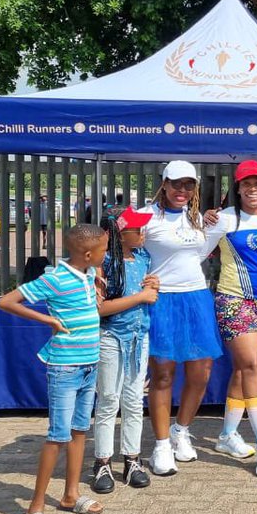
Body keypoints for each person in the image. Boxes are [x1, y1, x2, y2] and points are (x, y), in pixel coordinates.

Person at [0, 224, 108, 514]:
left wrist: (96, 281)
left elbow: (91, 299)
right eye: (103, 250)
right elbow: (7, 302)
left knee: (78, 430)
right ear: (87, 253)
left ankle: (71, 494)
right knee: (58, 436)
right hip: (65, 368)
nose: (106, 254)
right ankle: (34, 507)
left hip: (89, 364)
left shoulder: (87, 275)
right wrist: (47, 319)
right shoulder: (54, 279)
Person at [138, 161, 225, 477]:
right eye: (176, 184)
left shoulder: (199, 218)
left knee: (201, 371)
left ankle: (181, 430)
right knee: (162, 374)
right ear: (164, 183)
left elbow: (202, 252)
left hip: (197, 297)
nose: (182, 191)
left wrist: (210, 219)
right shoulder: (145, 215)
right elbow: (124, 251)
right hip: (162, 300)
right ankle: (161, 446)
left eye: (189, 185)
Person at [210, 160, 257, 480]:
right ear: (237, 188)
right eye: (246, 183)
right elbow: (196, 249)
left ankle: (227, 436)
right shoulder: (223, 218)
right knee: (255, 366)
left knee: (243, 370)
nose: (252, 189)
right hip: (233, 300)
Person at [90, 205, 159, 494]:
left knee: (133, 400)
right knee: (108, 399)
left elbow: (148, 292)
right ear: (119, 233)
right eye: (136, 228)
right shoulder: (102, 263)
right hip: (111, 338)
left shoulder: (143, 257)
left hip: (138, 338)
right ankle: (102, 462)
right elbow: (100, 307)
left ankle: (132, 459)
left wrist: (153, 286)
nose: (143, 232)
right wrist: (142, 295)